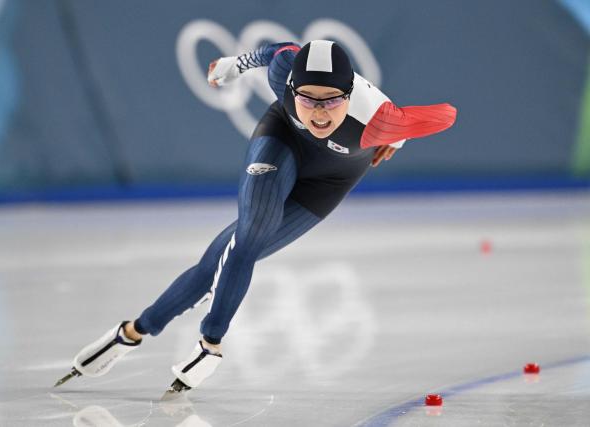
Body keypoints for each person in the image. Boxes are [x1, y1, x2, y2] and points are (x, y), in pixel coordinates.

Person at [54, 40, 457, 393]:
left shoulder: (379, 119)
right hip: (281, 141)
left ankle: (132, 333)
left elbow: (447, 113)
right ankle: (210, 345)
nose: (318, 113)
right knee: (250, 233)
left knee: (220, 259)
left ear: (350, 96)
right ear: (290, 88)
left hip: (330, 182)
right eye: (308, 98)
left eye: (331, 100)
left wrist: (398, 134)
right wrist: (233, 65)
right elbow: (271, 51)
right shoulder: (284, 72)